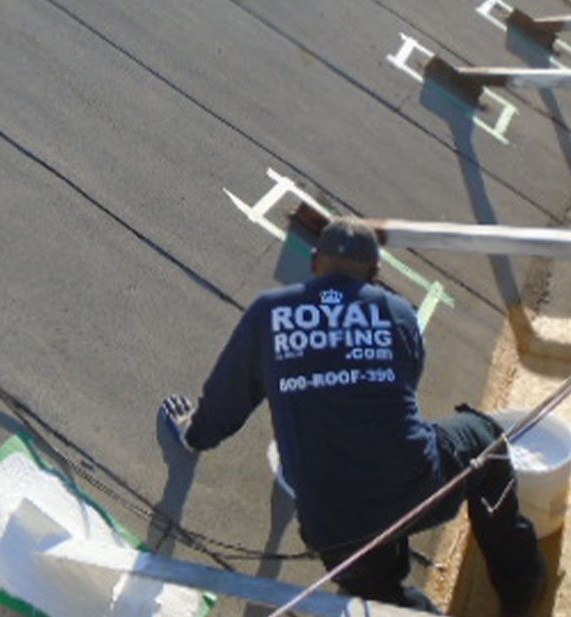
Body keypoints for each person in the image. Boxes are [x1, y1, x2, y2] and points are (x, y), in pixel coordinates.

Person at [159, 216, 544, 615]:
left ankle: (398, 593)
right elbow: (400, 390)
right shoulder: (397, 313)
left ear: (314, 263)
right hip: (417, 484)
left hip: (336, 526)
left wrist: (196, 434)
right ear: (375, 273)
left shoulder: (267, 315)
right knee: (487, 443)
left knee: (381, 592)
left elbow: (227, 399)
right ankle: (521, 583)